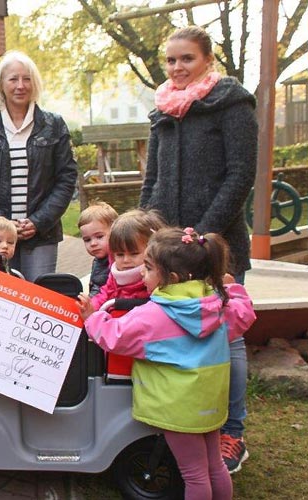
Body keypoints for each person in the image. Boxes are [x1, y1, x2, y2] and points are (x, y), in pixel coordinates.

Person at [139, 26, 258, 473]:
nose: (177, 68)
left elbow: (240, 174)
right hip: (168, 249)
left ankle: (232, 434)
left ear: (208, 59)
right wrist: (151, 234)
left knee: (227, 337)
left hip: (215, 246)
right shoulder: (164, 108)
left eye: (186, 59)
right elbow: (152, 179)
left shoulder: (232, 103)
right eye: (170, 60)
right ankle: (183, 423)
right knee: (177, 334)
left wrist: (202, 238)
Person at [80, 227, 256, 500]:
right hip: (210, 403)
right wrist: (232, 287)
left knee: (194, 474)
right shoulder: (217, 304)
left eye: (148, 268)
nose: (141, 273)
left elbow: (114, 337)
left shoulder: (154, 315)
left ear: (171, 277)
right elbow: (244, 316)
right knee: (214, 465)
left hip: (177, 411)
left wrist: (92, 317)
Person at [0, 50, 78, 282]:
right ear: (2, 84)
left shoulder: (53, 125)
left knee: (38, 296)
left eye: (26, 79)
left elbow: (66, 178)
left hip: (42, 235)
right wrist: (1, 225)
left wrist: (38, 221)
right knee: (0, 297)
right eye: (13, 79)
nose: (20, 85)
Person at [78, 209, 166, 315]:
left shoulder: (153, 282)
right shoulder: (114, 275)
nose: (126, 260)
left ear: (152, 250)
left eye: (134, 253)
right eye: (120, 254)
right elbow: (105, 293)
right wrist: (91, 306)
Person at [77, 202, 119, 297]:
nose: (93, 243)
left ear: (115, 232)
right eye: (87, 240)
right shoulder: (98, 261)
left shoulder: (118, 263)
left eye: (99, 237)